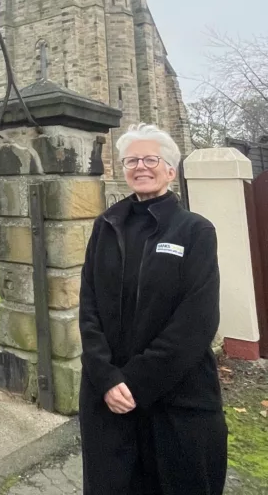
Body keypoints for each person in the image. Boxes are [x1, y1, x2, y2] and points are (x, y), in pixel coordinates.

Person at [79, 124, 227, 495]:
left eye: (150, 159)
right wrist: (107, 377)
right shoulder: (106, 225)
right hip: (109, 398)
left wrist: (136, 382)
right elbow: (89, 305)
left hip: (176, 397)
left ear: (171, 171)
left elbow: (197, 320)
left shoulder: (194, 231)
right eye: (131, 160)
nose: (140, 167)